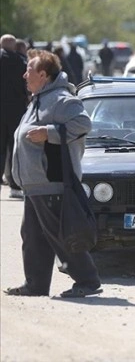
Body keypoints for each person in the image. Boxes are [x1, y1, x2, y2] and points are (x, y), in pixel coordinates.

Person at [5, 49, 101, 298]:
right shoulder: (37, 99)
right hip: (35, 185)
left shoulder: (61, 99)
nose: (24, 74)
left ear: (44, 75)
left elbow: (83, 124)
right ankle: (35, 285)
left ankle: (88, 281)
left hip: (52, 183)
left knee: (61, 236)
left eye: (29, 70)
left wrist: (49, 132)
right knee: (33, 237)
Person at [0, 34, 28, 199]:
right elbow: (26, 84)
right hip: (15, 109)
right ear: (13, 45)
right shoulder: (20, 61)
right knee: (14, 146)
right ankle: (14, 185)